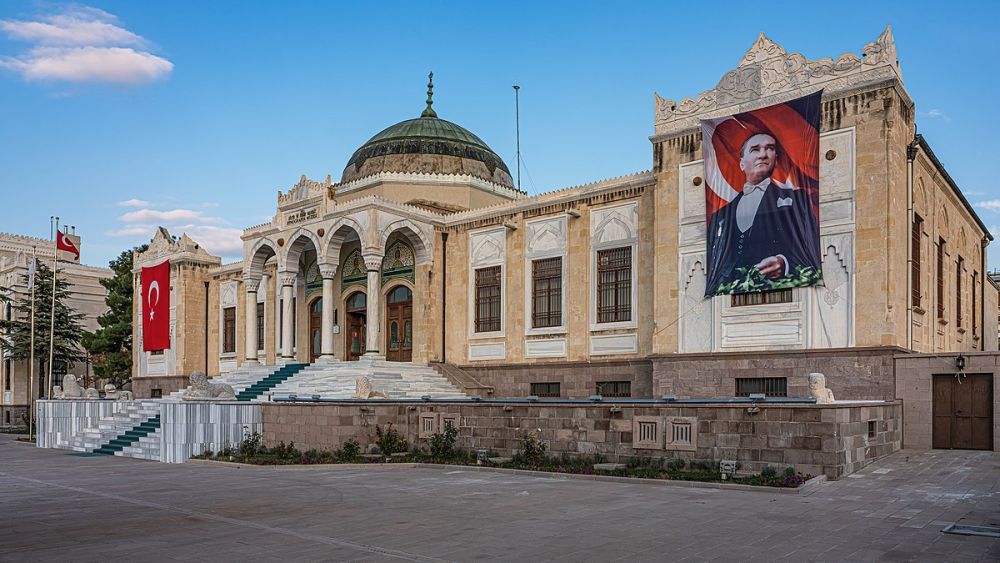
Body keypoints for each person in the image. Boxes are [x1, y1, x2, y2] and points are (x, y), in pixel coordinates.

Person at [706, 131, 820, 294]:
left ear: (776, 160)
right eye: (755, 149)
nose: (763, 155)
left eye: (769, 148)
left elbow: (811, 245)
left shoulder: (796, 200)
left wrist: (785, 263)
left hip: (780, 291)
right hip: (728, 297)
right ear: (742, 164)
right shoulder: (721, 215)